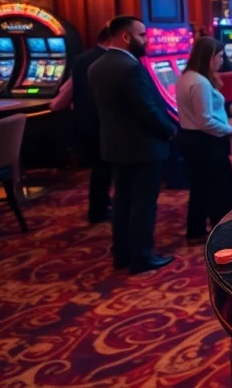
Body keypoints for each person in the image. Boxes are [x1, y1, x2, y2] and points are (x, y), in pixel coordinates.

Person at [88, 16, 177, 274]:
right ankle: (141, 257)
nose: (146, 40)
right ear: (126, 37)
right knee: (142, 204)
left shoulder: (97, 65)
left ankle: (122, 253)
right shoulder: (131, 68)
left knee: (123, 201)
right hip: (142, 148)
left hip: (114, 146)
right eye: (142, 35)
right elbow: (146, 111)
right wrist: (169, 130)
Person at [175, 37, 232, 242]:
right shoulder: (199, 82)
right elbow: (205, 121)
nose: (222, 60)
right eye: (219, 56)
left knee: (200, 187)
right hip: (205, 140)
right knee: (221, 187)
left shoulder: (187, 76)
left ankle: (197, 230)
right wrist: (229, 129)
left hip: (194, 139)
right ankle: (222, 231)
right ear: (209, 57)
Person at [70, 26, 111, 224]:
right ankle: (98, 210)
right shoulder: (105, 62)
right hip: (101, 121)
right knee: (102, 169)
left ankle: (101, 204)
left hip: (84, 119)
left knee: (99, 168)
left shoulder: (81, 58)